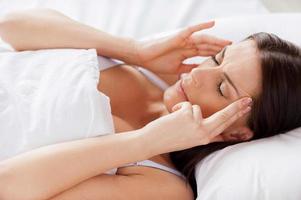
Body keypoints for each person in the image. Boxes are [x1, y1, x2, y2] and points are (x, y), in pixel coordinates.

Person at [0, 9, 300, 200]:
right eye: (217, 59)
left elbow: (8, 188)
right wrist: (133, 50)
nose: (198, 73)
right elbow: (12, 25)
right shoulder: (151, 69)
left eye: (221, 87)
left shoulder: (163, 187)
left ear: (236, 133)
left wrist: (146, 140)